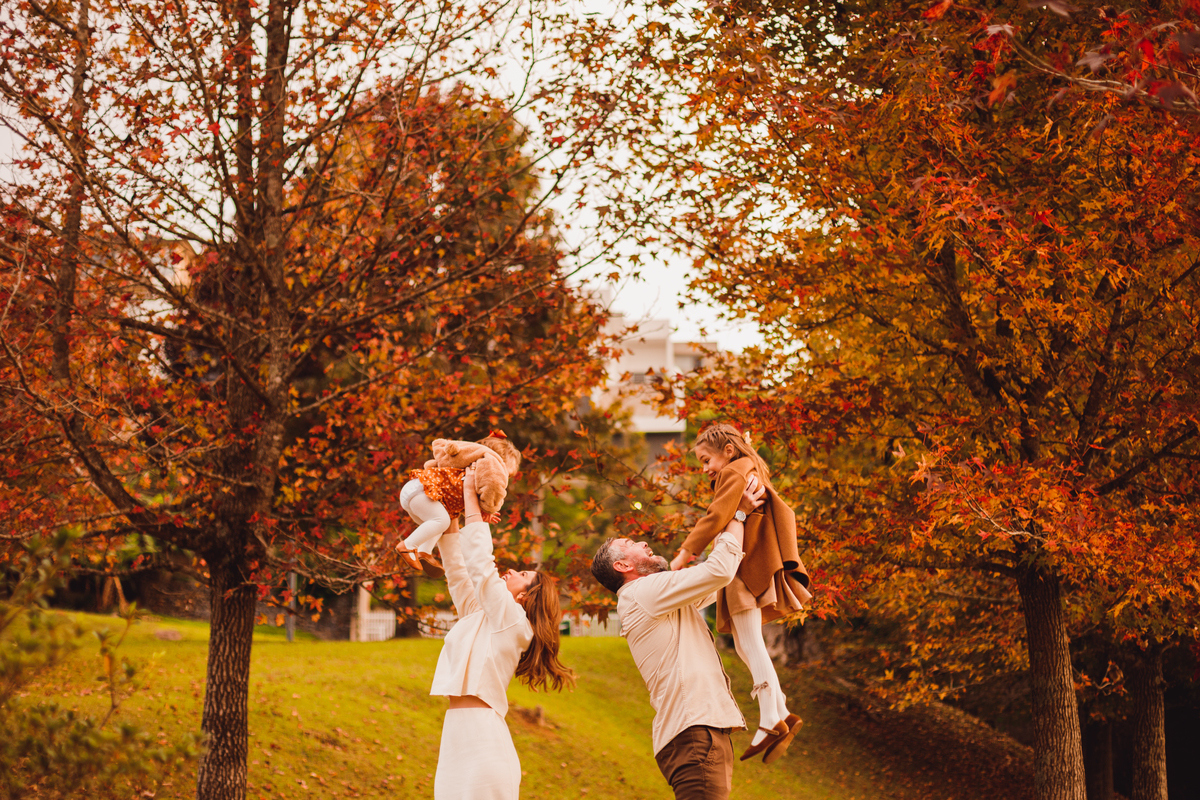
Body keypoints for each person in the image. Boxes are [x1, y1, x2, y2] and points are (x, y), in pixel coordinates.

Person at [589, 477, 765, 800]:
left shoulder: (654, 597)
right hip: (694, 734)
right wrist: (737, 515)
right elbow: (719, 572)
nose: (644, 543)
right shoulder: (640, 592)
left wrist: (729, 520)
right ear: (623, 565)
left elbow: (714, 582)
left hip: (697, 733)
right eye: (632, 543)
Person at [668, 423, 811, 761]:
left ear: (728, 451)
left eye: (706, 461)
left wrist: (683, 554)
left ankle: (770, 720)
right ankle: (781, 711)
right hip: (746, 565)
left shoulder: (734, 471)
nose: (705, 470)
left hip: (743, 569)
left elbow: (715, 517)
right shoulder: (746, 469)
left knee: (750, 644)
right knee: (749, 648)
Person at [430, 462, 574, 799]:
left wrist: (470, 496)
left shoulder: (514, 622)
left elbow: (481, 566)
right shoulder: (483, 616)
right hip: (460, 734)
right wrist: (452, 511)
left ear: (524, 597)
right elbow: (458, 571)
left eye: (521, 574)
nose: (510, 571)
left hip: (482, 741)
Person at [396, 432, 522, 578]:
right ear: (500, 461)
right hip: (422, 493)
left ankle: (425, 552)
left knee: (440, 524)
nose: (505, 478)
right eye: (507, 474)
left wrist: (480, 512)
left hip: (416, 493)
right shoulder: (491, 463)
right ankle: (408, 546)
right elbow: (493, 485)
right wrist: (489, 507)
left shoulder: (468, 469)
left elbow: (461, 498)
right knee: (441, 521)